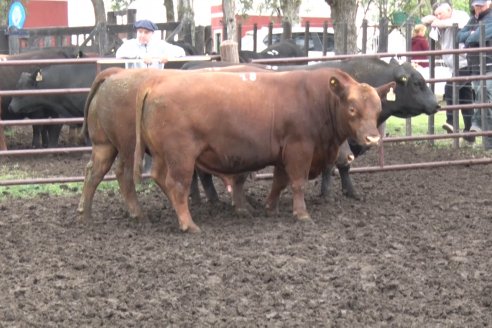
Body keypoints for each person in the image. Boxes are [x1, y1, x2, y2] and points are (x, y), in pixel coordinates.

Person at [422, 2, 475, 142]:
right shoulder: (440, 20)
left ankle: (451, 121)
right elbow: (424, 20)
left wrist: (436, 22)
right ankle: (470, 133)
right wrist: (434, 19)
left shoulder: (461, 16)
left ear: (450, 10)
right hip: (455, 66)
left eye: (441, 13)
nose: (439, 17)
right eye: (436, 14)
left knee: (450, 87)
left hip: (466, 62)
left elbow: (452, 23)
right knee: (465, 99)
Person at [457, 0, 492, 149]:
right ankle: (487, 143)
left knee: (485, 95)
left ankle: (477, 126)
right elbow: (459, 35)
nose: (478, 8)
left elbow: (478, 36)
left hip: (489, 65)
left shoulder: (490, 18)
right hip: (477, 66)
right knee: (482, 96)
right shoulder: (474, 19)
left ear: (489, 3)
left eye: (481, 5)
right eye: (476, 6)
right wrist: (471, 36)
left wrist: (470, 37)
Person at [115, 19, 186, 68]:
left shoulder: (159, 44)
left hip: (155, 81)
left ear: (152, 33)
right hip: (135, 81)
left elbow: (181, 51)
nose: (142, 35)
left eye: (146, 32)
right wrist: (141, 56)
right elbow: (119, 53)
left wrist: (168, 55)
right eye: (140, 31)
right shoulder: (129, 44)